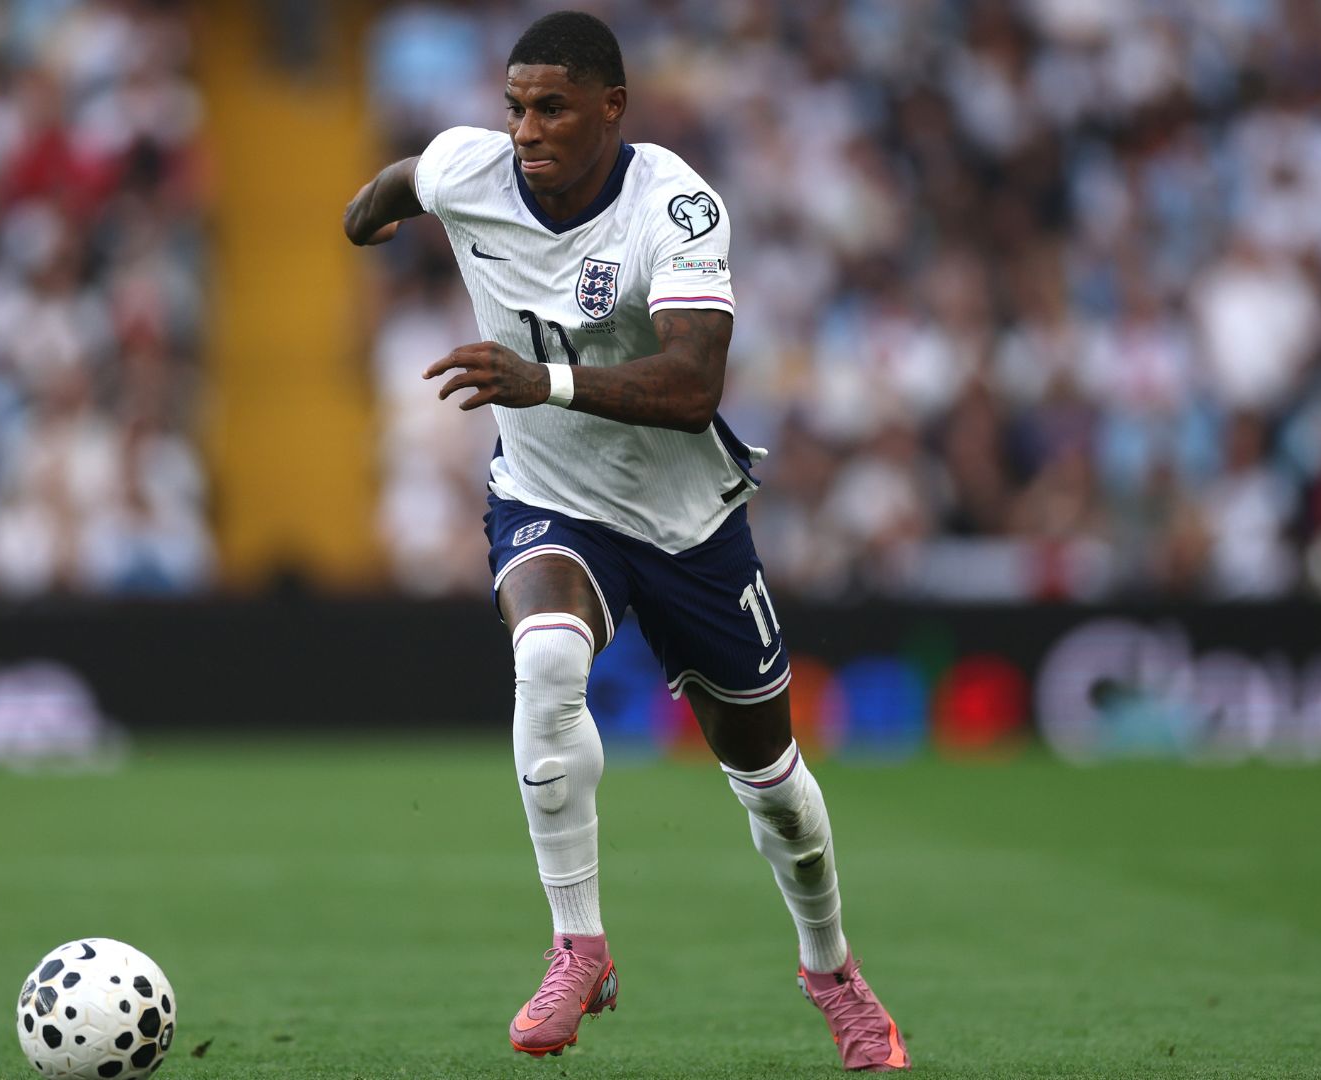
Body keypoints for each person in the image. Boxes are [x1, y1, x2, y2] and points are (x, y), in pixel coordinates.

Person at [342, 10, 909, 1071]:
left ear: (613, 108)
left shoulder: (677, 204)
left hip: (689, 525)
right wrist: (367, 216)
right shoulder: (472, 169)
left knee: (773, 786)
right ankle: (579, 947)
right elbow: (400, 182)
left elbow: (695, 388)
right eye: (514, 106)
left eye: (551, 106)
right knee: (548, 661)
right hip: (551, 501)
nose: (525, 129)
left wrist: (540, 380)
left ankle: (832, 970)